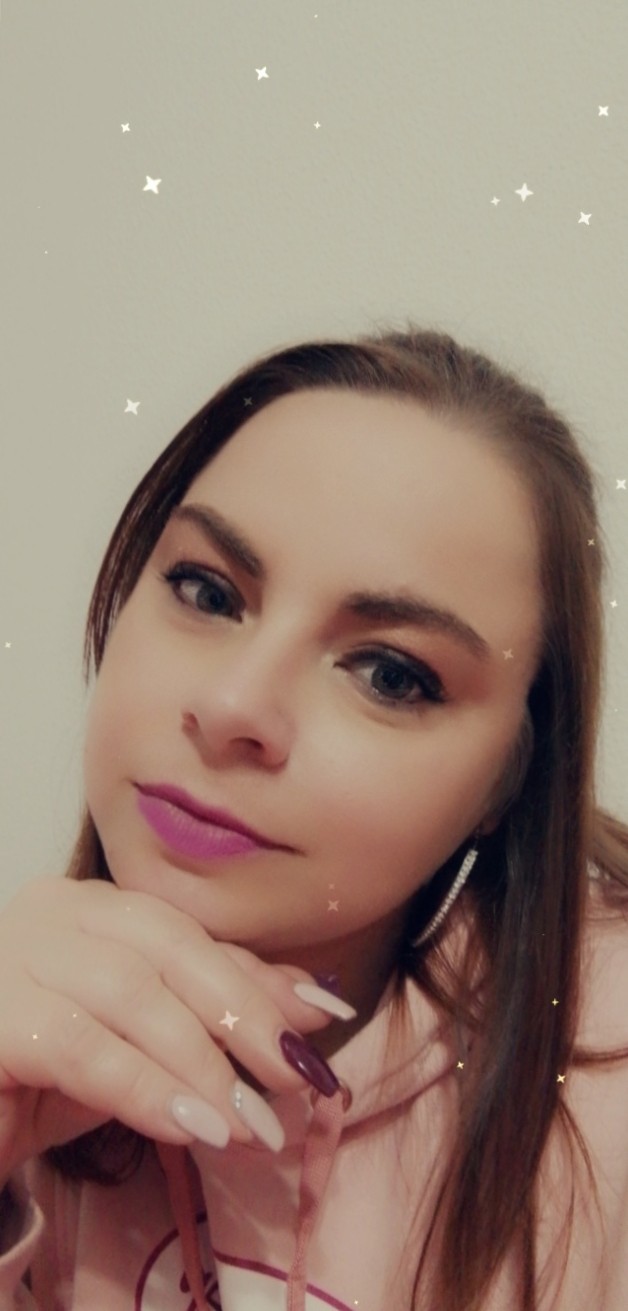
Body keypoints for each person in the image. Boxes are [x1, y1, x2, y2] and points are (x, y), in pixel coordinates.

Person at [1, 323, 628, 1311]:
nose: (231, 707)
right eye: (207, 591)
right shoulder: (29, 1034)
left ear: (508, 782)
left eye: (390, 674)